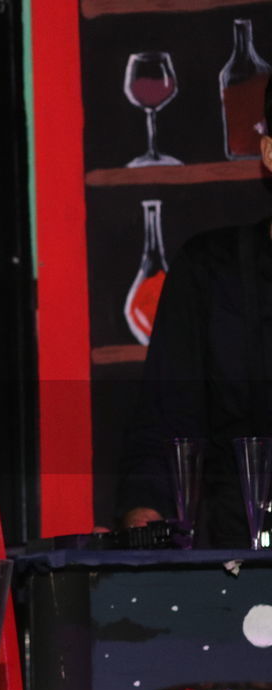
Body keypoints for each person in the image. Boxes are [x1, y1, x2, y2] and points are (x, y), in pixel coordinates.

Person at [115, 85, 272, 547]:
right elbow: (167, 421)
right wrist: (147, 518)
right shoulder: (211, 268)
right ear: (269, 152)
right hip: (238, 564)